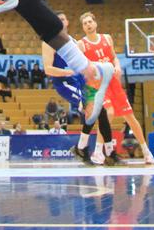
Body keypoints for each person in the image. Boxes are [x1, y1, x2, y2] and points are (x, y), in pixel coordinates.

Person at [42, 12, 118, 167]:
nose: (60, 21)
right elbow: (48, 69)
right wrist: (68, 72)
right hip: (65, 83)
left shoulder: (72, 41)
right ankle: (104, 152)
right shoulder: (49, 41)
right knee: (98, 109)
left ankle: (92, 150)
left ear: (67, 22)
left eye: (63, 19)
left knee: (100, 111)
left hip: (79, 81)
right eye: (57, 19)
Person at [78, 12, 152, 164]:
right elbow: (82, 70)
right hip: (98, 85)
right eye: (85, 23)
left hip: (113, 82)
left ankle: (146, 151)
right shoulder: (81, 44)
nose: (88, 25)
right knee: (109, 113)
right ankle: (98, 152)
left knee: (130, 117)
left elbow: (114, 57)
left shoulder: (107, 38)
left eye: (90, 21)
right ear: (83, 27)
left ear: (95, 23)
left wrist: (117, 66)